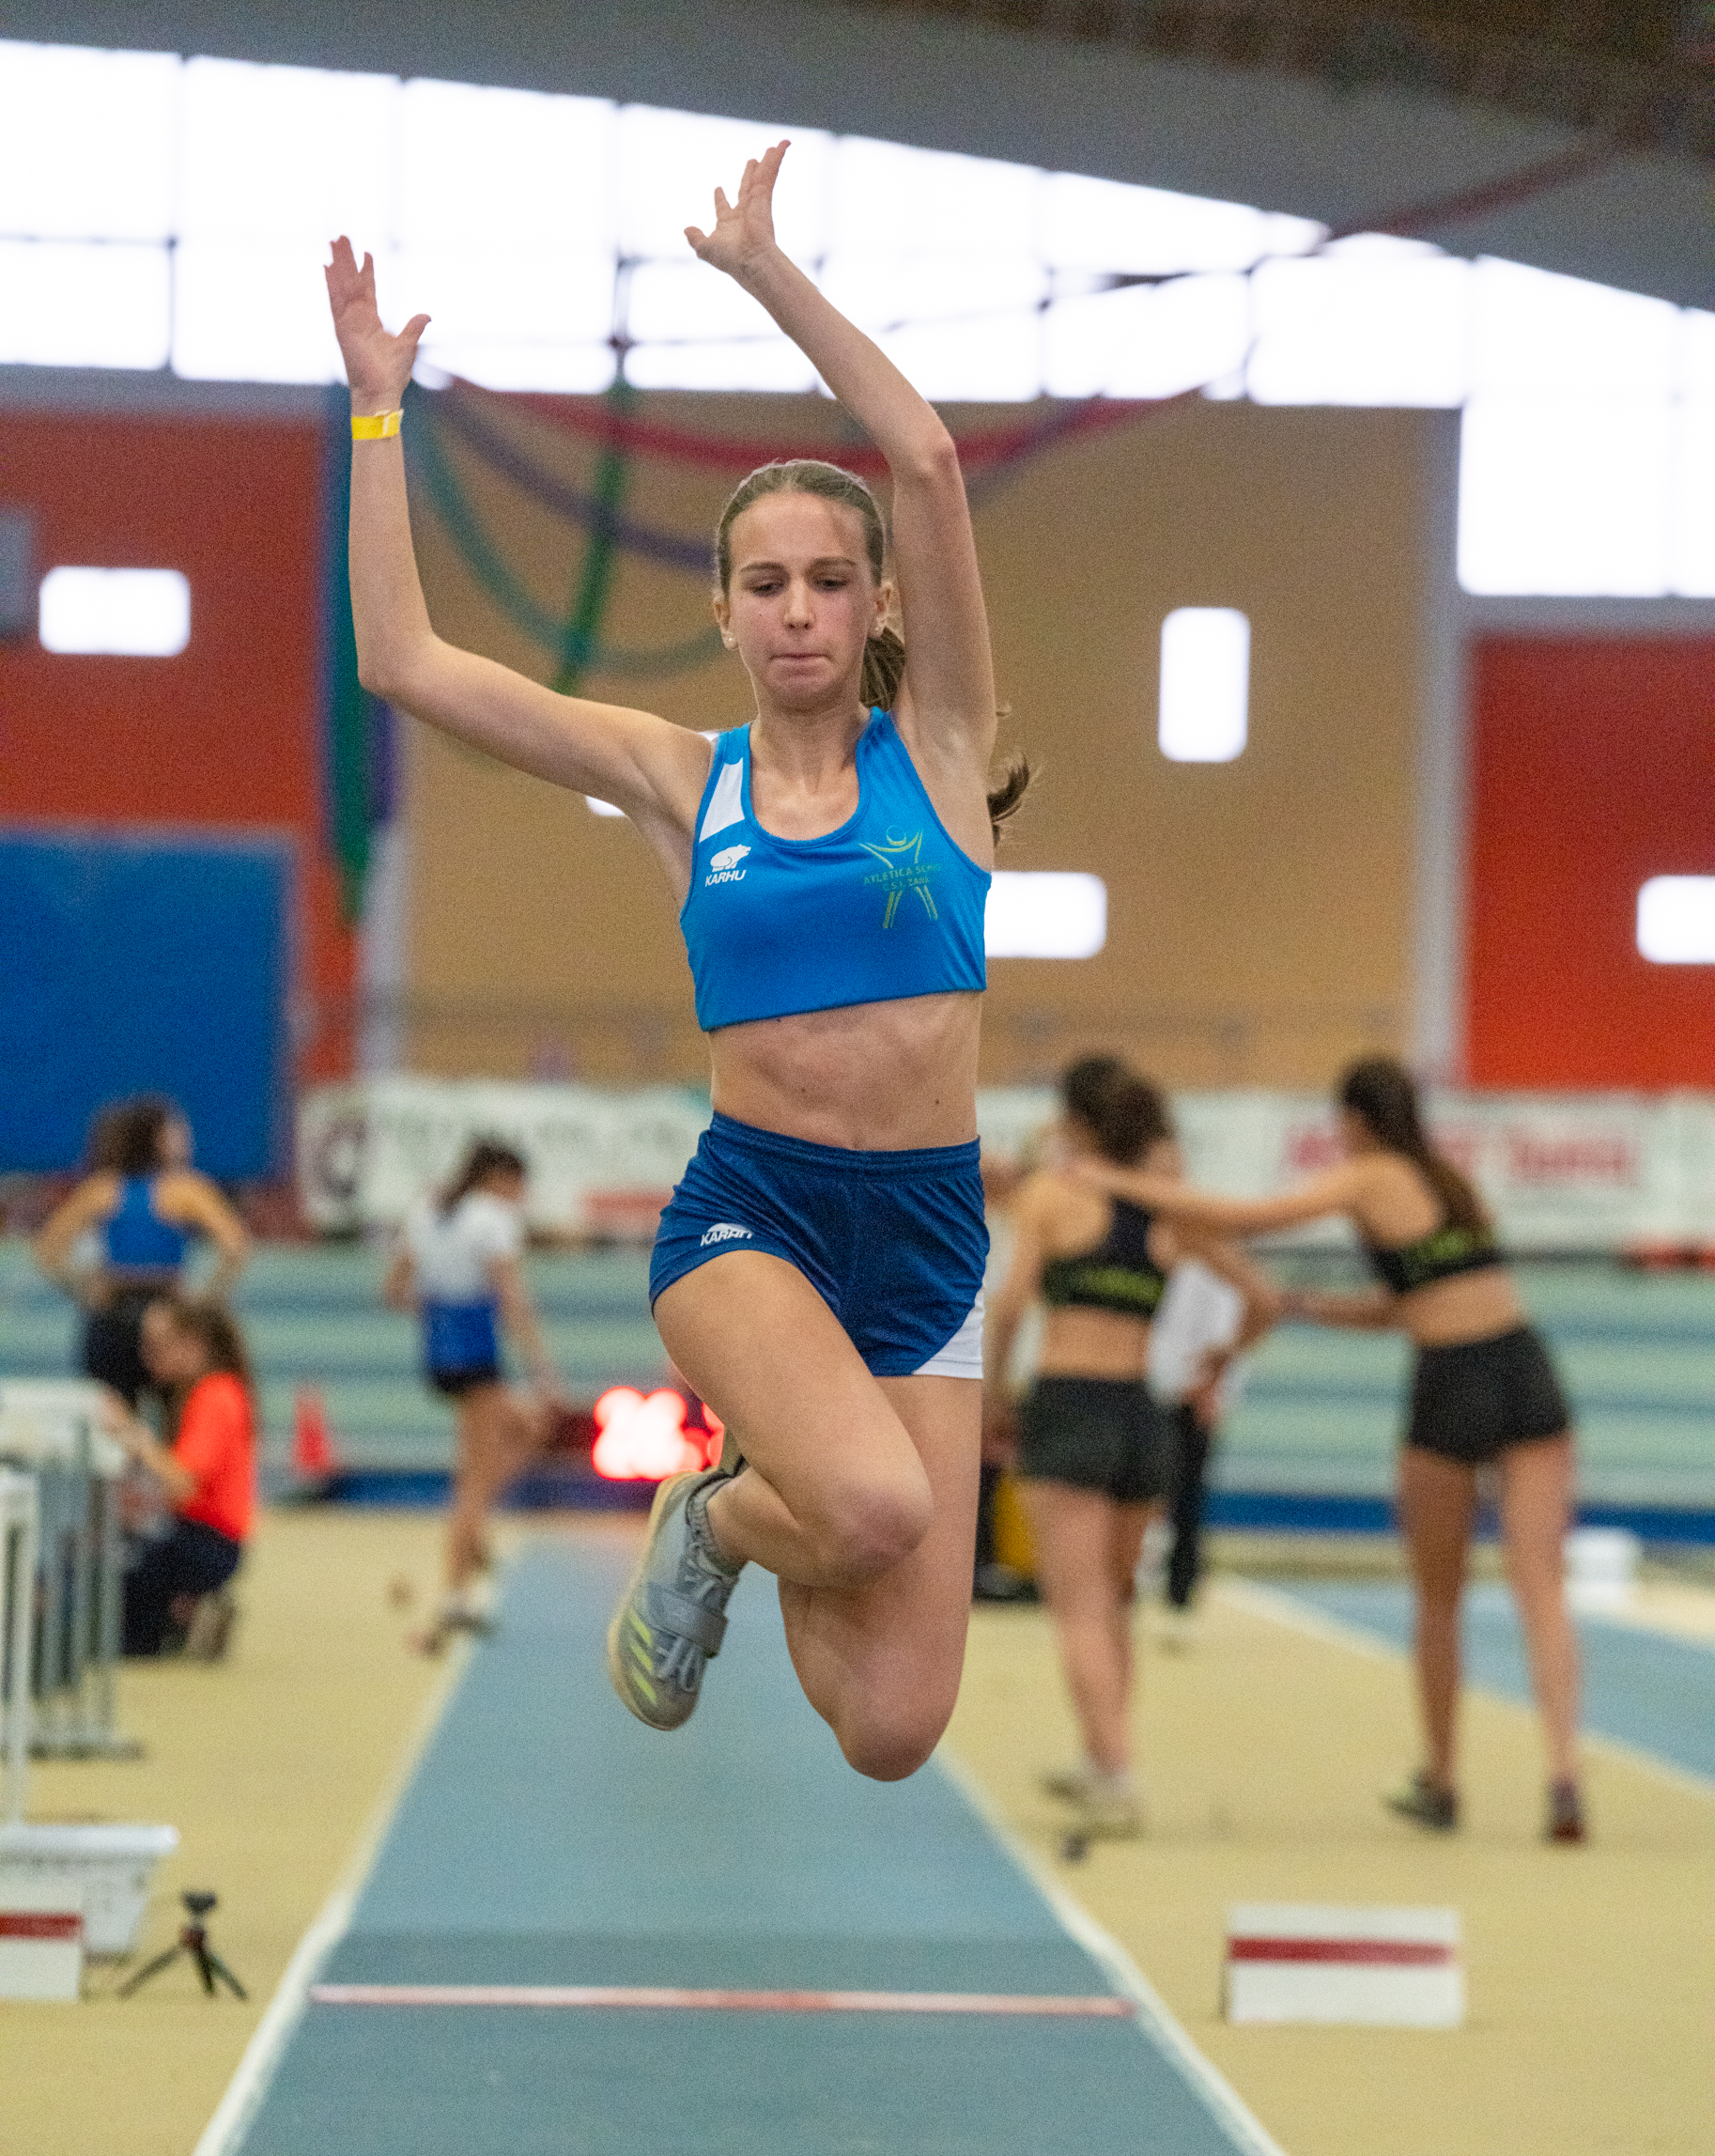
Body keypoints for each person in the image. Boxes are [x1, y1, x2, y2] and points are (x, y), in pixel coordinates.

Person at [327, 139, 1024, 1779]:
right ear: (722, 610)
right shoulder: (675, 779)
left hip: (926, 1234)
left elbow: (925, 460)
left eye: (830, 582)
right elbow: (403, 662)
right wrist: (375, 416)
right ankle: (726, 1507)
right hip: (752, 1215)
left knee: (889, 1724)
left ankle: (743, 1507)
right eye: (764, 583)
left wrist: (766, 271)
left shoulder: (939, 753)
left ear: (876, 606)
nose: (798, 610)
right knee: (869, 1504)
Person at [1071, 1054, 1585, 1843]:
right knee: (1541, 1588)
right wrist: (1307, 1306)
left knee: (1439, 1598)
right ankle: (1563, 1774)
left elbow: (1250, 1219)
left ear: (1355, 1120)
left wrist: (1118, 1182)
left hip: (1451, 1382)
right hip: (1523, 1367)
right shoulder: (1454, 1186)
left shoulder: (1370, 1175)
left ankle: (1443, 1779)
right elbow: (1416, 1304)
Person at [983, 1058, 1278, 1838]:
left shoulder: (1052, 1198)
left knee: (1079, 1607)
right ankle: (1101, 1756)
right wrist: (1218, 1362)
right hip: (1142, 1416)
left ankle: (1115, 1773)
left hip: (1070, 1404)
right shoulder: (1166, 1215)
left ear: (1077, 1122)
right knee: (1113, 1604)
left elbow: (1009, 1307)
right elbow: (1262, 1297)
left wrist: (996, 1397)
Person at [382, 1139, 562, 1647]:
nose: (522, 1197)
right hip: (478, 1359)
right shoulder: (492, 1219)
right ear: (499, 1178)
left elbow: (392, 1291)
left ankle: (472, 1534)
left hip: (440, 1356)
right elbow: (513, 1300)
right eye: (519, 1185)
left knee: (527, 1432)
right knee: (476, 1481)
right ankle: (457, 1591)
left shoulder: (427, 1210)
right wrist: (543, 1373)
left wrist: (436, 1312)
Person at [33, 1095, 250, 1410]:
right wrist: (204, 1300)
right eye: (177, 1131)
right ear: (156, 1138)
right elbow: (235, 1246)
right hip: (166, 1312)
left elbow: (47, 1251)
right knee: (176, 1413)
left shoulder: (104, 1189)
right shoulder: (184, 1190)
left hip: (114, 1312)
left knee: (116, 1414)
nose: (186, 1137)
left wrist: (84, 1288)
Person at [102, 1294, 256, 1658]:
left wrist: (131, 1435)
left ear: (193, 1345)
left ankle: (167, 1623)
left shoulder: (216, 1395)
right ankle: (178, 1614)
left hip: (209, 1540)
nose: (146, 1357)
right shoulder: (194, 1394)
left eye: (157, 1347)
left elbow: (183, 1482)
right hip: (197, 1532)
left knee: (122, 1561)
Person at [1147, 1251, 1253, 1640]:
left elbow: (1229, 1327)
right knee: (1148, 1492)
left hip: (1191, 1392)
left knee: (1187, 1497)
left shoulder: (1216, 1263)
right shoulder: (1162, 1252)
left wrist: (1214, 1387)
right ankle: (1145, 1579)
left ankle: (1180, 1590)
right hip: (1151, 1387)